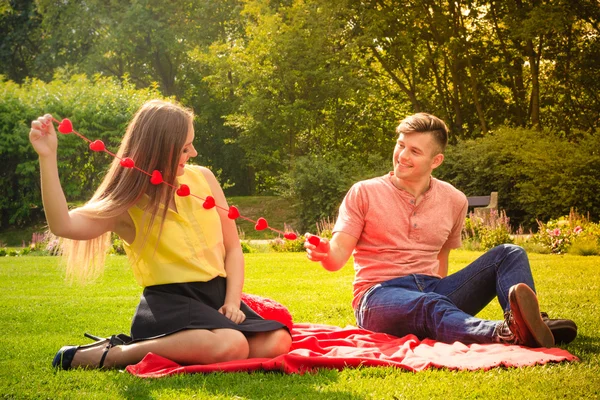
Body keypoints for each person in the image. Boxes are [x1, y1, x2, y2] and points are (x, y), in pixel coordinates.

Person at [29, 100, 292, 370]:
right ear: (160, 150)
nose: (194, 152)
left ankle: (199, 344)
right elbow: (63, 225)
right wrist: (47, 157)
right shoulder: (126, 206)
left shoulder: (204, 178)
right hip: (170, 304)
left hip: (218, 296)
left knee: (277, 342)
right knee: (231, 345)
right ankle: (116, 352)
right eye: (184, 148)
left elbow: (233, 248)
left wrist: (232, 302)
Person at [304, 113, 577, 347]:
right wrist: (324, 251)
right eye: (401, 146)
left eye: (414, 151)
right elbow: (337, 256)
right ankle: (504, 333)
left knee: (510, 253)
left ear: (436, 161)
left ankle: (529, 322)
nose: (402, 156)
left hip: (433, 288)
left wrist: (444, 296)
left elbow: (441, 261)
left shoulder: (454, 199)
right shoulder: (364, 192)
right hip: (378, 296)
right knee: (429, 304)